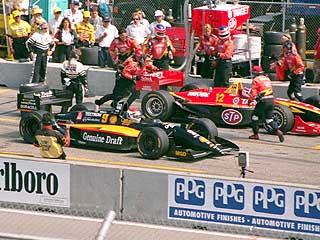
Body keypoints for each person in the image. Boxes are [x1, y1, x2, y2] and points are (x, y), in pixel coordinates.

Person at [247, 66, 284, 142]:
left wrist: (250, 101)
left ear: (255, 73)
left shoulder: (256, 80)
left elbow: (253, 93)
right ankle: (278, 131)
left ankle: (255, 134)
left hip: (263, 101)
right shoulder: (267, 78)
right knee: (269, 119)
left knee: (254, 116)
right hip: (271, 100)